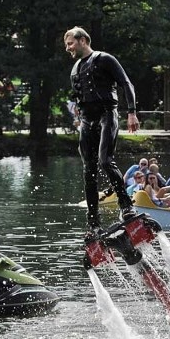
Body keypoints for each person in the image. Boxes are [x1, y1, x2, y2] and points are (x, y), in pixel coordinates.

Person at [64, 26, 139, 237]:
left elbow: (126, 83)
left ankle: (126, 207)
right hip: (87, 121)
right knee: (88, 171)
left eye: (70, 43)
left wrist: (132, 112)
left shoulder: (105, 59)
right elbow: (79, 98)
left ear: (83, 40)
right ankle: (93, 224)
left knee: (105, 161)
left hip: (107, 113)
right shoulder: (75, 69)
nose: (68, 48)